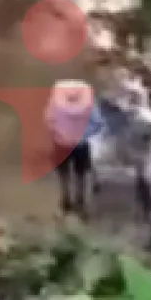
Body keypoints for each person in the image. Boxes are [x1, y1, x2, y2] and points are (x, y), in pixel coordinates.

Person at [45, 79, 104, 214]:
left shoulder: (55, 103)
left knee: (64, 173)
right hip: (81, 144)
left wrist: (58, 132)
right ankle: (79, 200)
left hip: (61, 143)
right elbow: (98, 123)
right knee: (80, 173)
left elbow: (49, 120)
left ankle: (66, 199)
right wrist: (84, 134)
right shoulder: (89, 105)